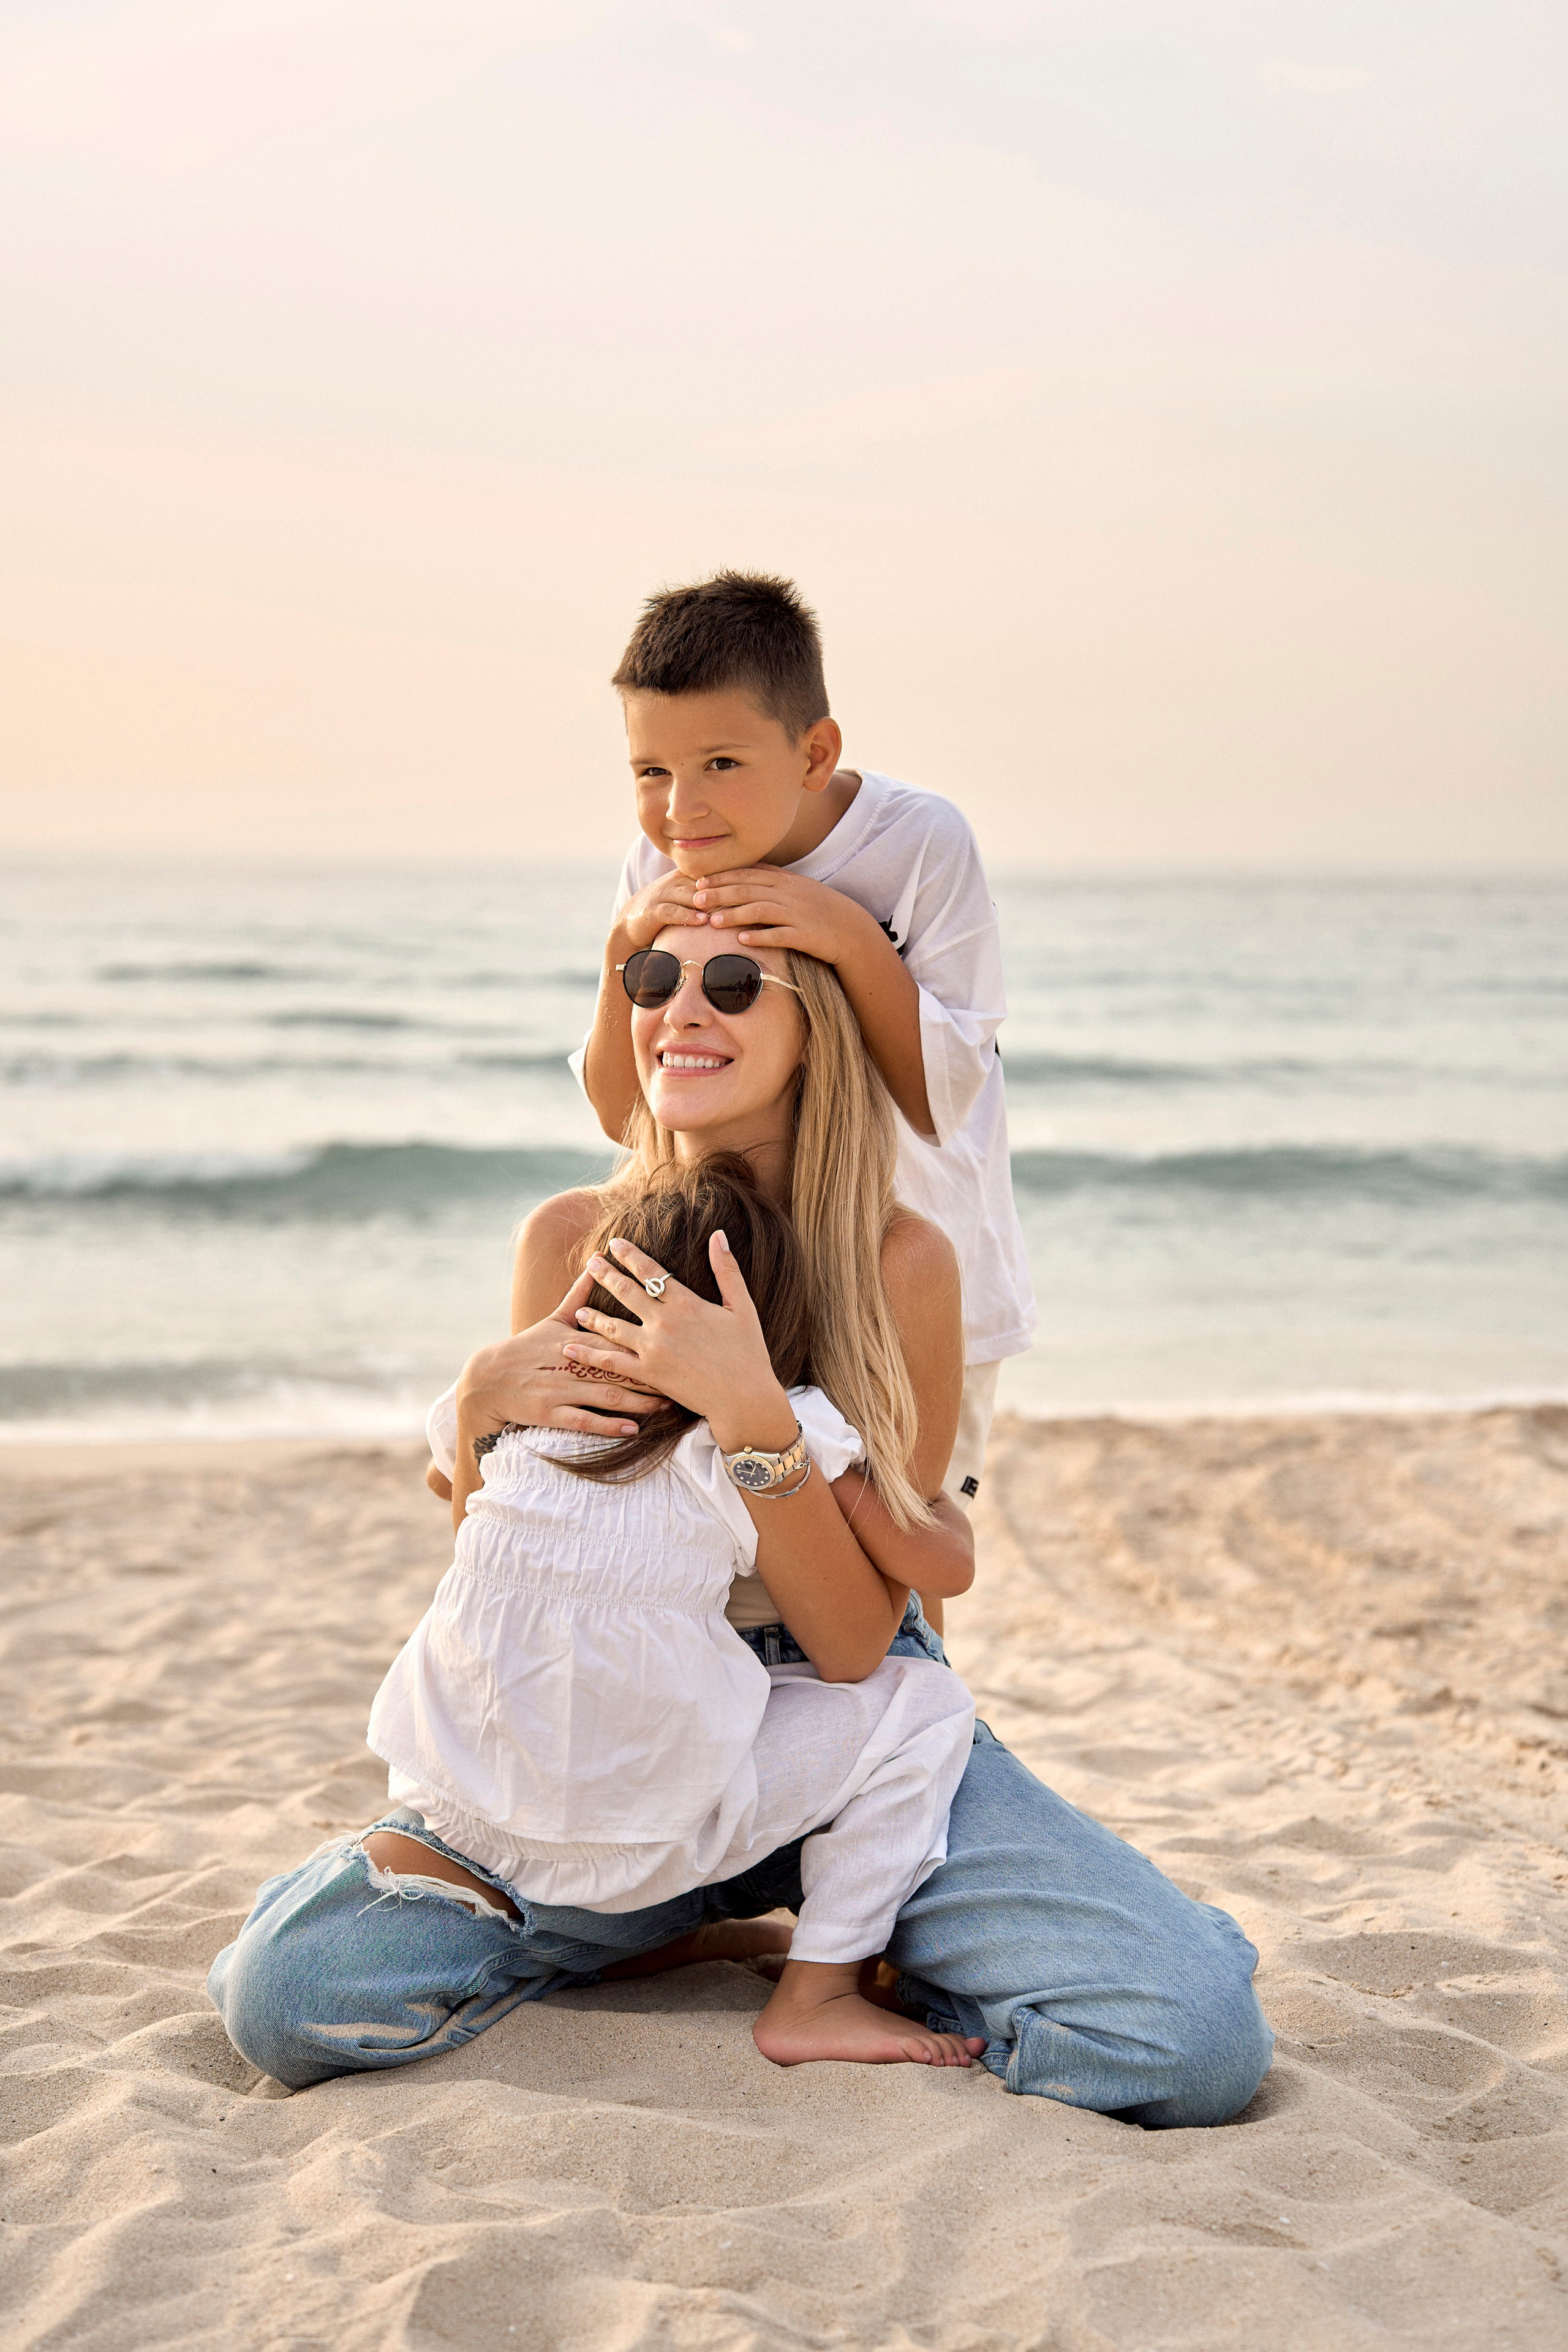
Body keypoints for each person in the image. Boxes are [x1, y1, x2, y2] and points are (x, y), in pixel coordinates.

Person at [208, 934, 1272, 2124]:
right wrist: (475, 1414)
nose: (676, 1012)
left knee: (1190, 2042)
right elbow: (514, 1548)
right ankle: (671, 1921)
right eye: (650, 982)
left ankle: (795, 1920)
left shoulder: (900, 1261)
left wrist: (753, 1418)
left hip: (833, 1731)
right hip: (604, 1732)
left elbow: (859, 1644)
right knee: (286, 1997)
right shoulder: (572, 1238)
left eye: (727, 984)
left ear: (818, 1019)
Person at [366, 1155, 982, 2070]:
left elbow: (448, 1479)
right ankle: (817, 1996)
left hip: (470, 1815)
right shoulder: (765, 1423)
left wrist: (489, 1410)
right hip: (651, 1828)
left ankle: (633, 1945)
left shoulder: (526, 1398)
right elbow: (946, 1567)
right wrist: (931, 1499)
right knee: (927, 1704)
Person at [575, 571, 1036, 1628]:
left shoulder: (918, 843)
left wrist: (839, 932)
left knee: (898, 1556)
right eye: (651, 770)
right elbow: (623, 1111)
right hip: (759, 1264)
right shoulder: (665, 859)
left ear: (815, 754)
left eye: (721, 765)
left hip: (913, 1276)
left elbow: (938, 1097)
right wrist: (620, 949)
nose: (682, 807)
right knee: (754, 1542)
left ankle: (903, 1740)